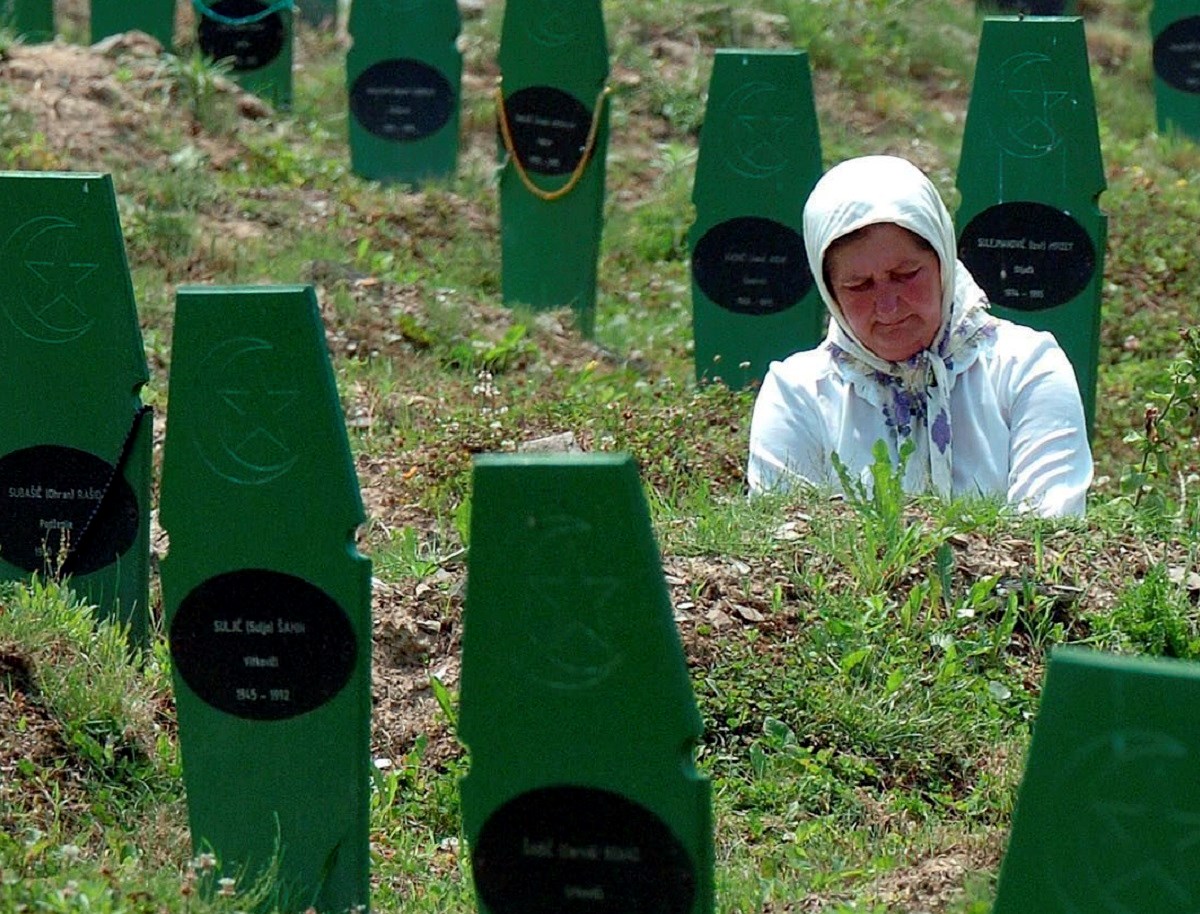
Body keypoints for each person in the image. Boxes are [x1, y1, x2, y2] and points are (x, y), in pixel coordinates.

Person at [747, 155, 1092, 517]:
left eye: (906, 274)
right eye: (858, 285)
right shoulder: (798, 395)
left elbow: (1049, 534)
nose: (888, 307)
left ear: (943, 261)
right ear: (830, 292)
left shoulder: (1027, 368)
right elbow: (787, 547)